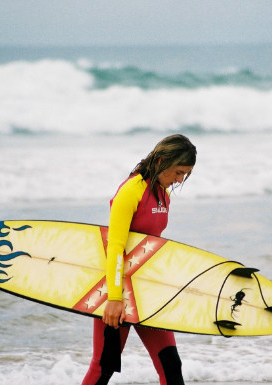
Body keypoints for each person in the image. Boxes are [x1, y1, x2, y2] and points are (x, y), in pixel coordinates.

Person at [81, 134, 197, 385]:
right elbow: (116, 247)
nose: (179, 180)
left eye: (185, 175)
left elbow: (151, 247)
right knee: (103, 367)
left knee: (171, 366)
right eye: (178, 172)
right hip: (117, 292)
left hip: (147, 292)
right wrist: (113, 299)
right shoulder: (131, 190)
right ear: (163, 160)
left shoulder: (162, 194)